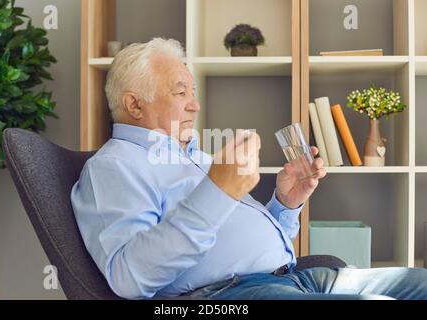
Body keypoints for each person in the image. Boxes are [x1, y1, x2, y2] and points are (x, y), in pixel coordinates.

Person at [71, 38, 427, 300]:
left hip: (297, 278)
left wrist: (285, 204)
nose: (195, 105)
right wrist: (218, 191)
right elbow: (128, 277)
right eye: (181, 93)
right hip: (229, 296)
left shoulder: (194, 156)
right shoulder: (113, 167)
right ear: (134, 104)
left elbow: (242, 243)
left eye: (193, 91)